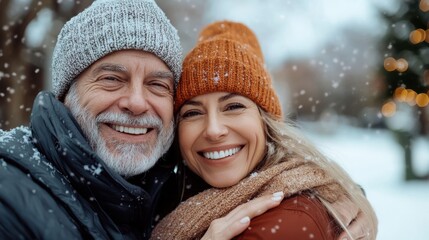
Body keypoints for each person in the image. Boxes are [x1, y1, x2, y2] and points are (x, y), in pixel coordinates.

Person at [0, 1, 280, 239]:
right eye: (112, 79)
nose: (136, 102)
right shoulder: (9, 199)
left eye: (157, 85)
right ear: (65, 96)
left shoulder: (165, 197)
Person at [151, 20, 378, 240]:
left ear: (266, 122)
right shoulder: (166, 192)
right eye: (192, 113)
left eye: (233, 107)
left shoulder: (286, 222)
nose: (213, 130)